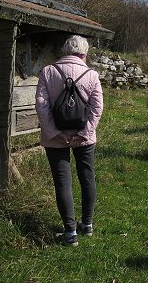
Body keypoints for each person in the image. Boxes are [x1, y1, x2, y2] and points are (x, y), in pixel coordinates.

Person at [35, 35, 103, 247]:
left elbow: (41, 106)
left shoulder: (48, 72)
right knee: (87, 177)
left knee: (62, 181)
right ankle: (87, 225)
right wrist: (84, 133)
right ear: (84, 54)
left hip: (56, 137)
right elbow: (96, 108)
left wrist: (54, 133)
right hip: (84, 137)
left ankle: (70, 232)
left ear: (65, 51)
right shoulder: (91, 75)